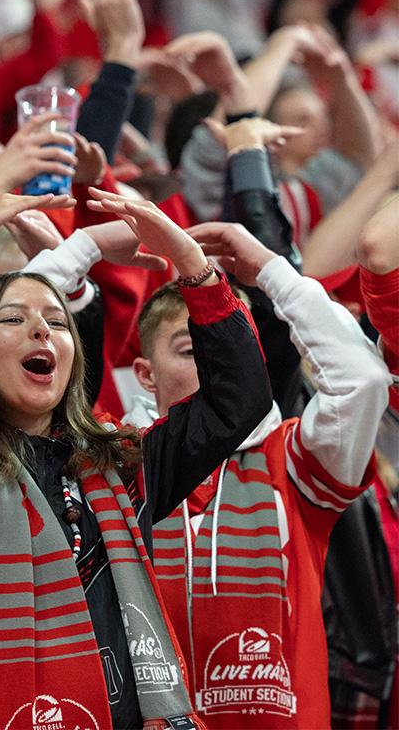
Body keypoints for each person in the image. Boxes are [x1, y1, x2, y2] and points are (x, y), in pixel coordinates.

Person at [0, 188, 272, 728]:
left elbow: (238, 398)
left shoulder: (124, 463)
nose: (42, 330)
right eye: (13, 320)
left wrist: (193, 267)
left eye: (57, 323)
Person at [137, 220, 390, 729]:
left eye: (233, 353)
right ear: (146, 373)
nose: (217, 368)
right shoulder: (121, 465)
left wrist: (272, 271)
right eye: (191, 352)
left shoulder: (293, 459)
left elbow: (362, 381)